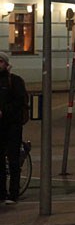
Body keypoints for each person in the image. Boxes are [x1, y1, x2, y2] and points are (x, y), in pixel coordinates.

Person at [0, 52, 27, 203]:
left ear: (6, 63)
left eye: (0, 61)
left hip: (12, 126)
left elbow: (19, 102)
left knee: (13, 159)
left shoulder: (14, 81)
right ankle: (1, 192)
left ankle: (13, 192)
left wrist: (4, 111)